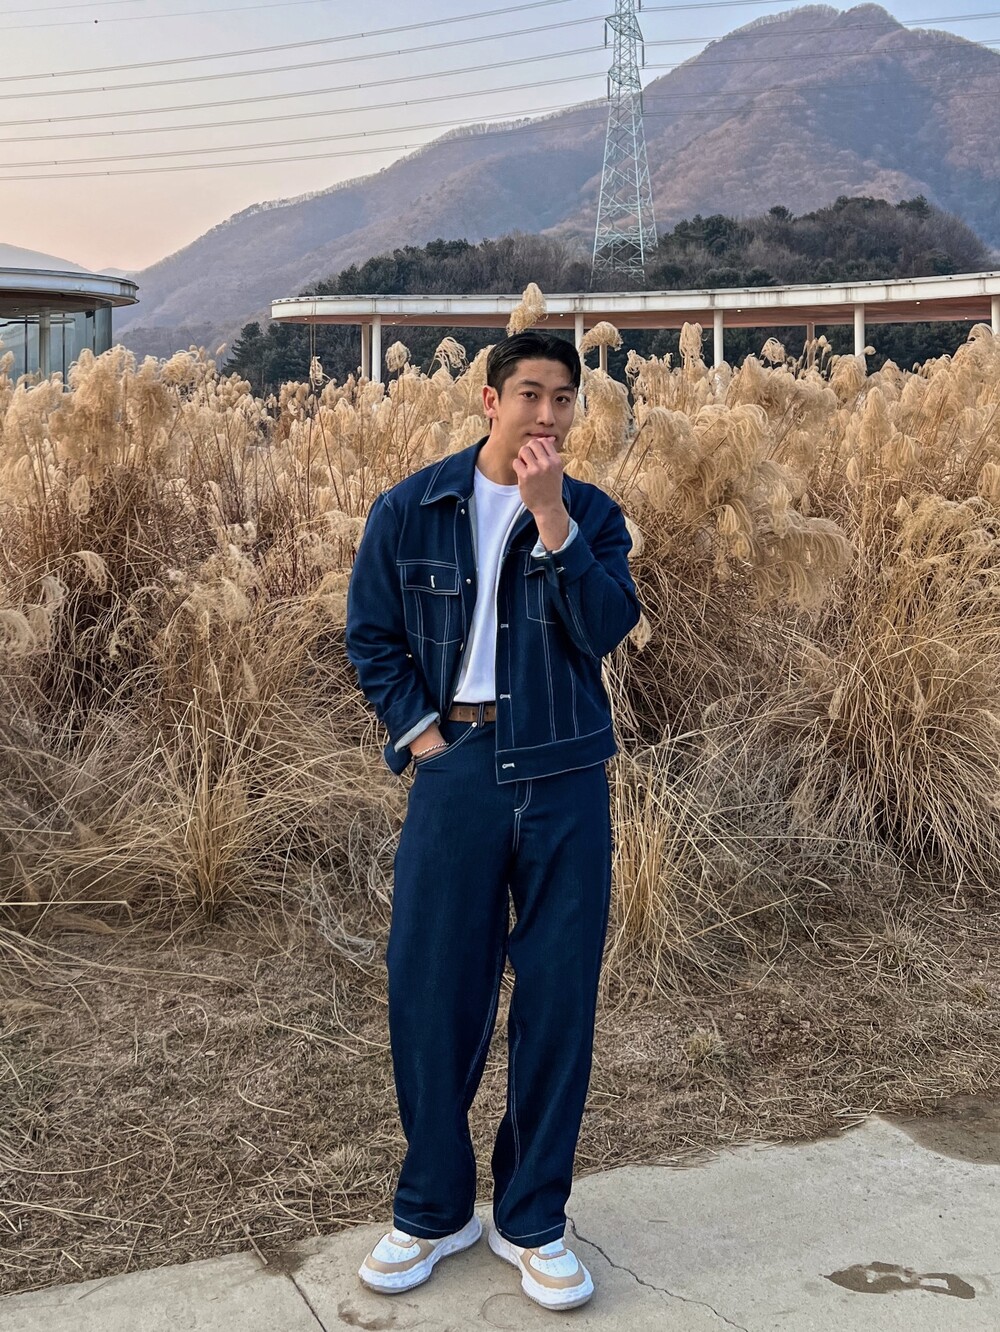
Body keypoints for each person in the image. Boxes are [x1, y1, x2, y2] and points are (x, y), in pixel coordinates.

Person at [345, 330, 641, 1311]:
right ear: (489, 400)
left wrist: (552, 520)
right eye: (530, 394)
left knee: (557, 998)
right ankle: (432, 1210)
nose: (547, 414)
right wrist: (424, 740)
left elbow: (606, 629)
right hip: (458, 768)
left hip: (564, 774)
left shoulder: (592, 515)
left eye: (564, 398)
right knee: (431, 992)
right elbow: (371, 637)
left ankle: (534, 1219)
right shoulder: (412, 507)